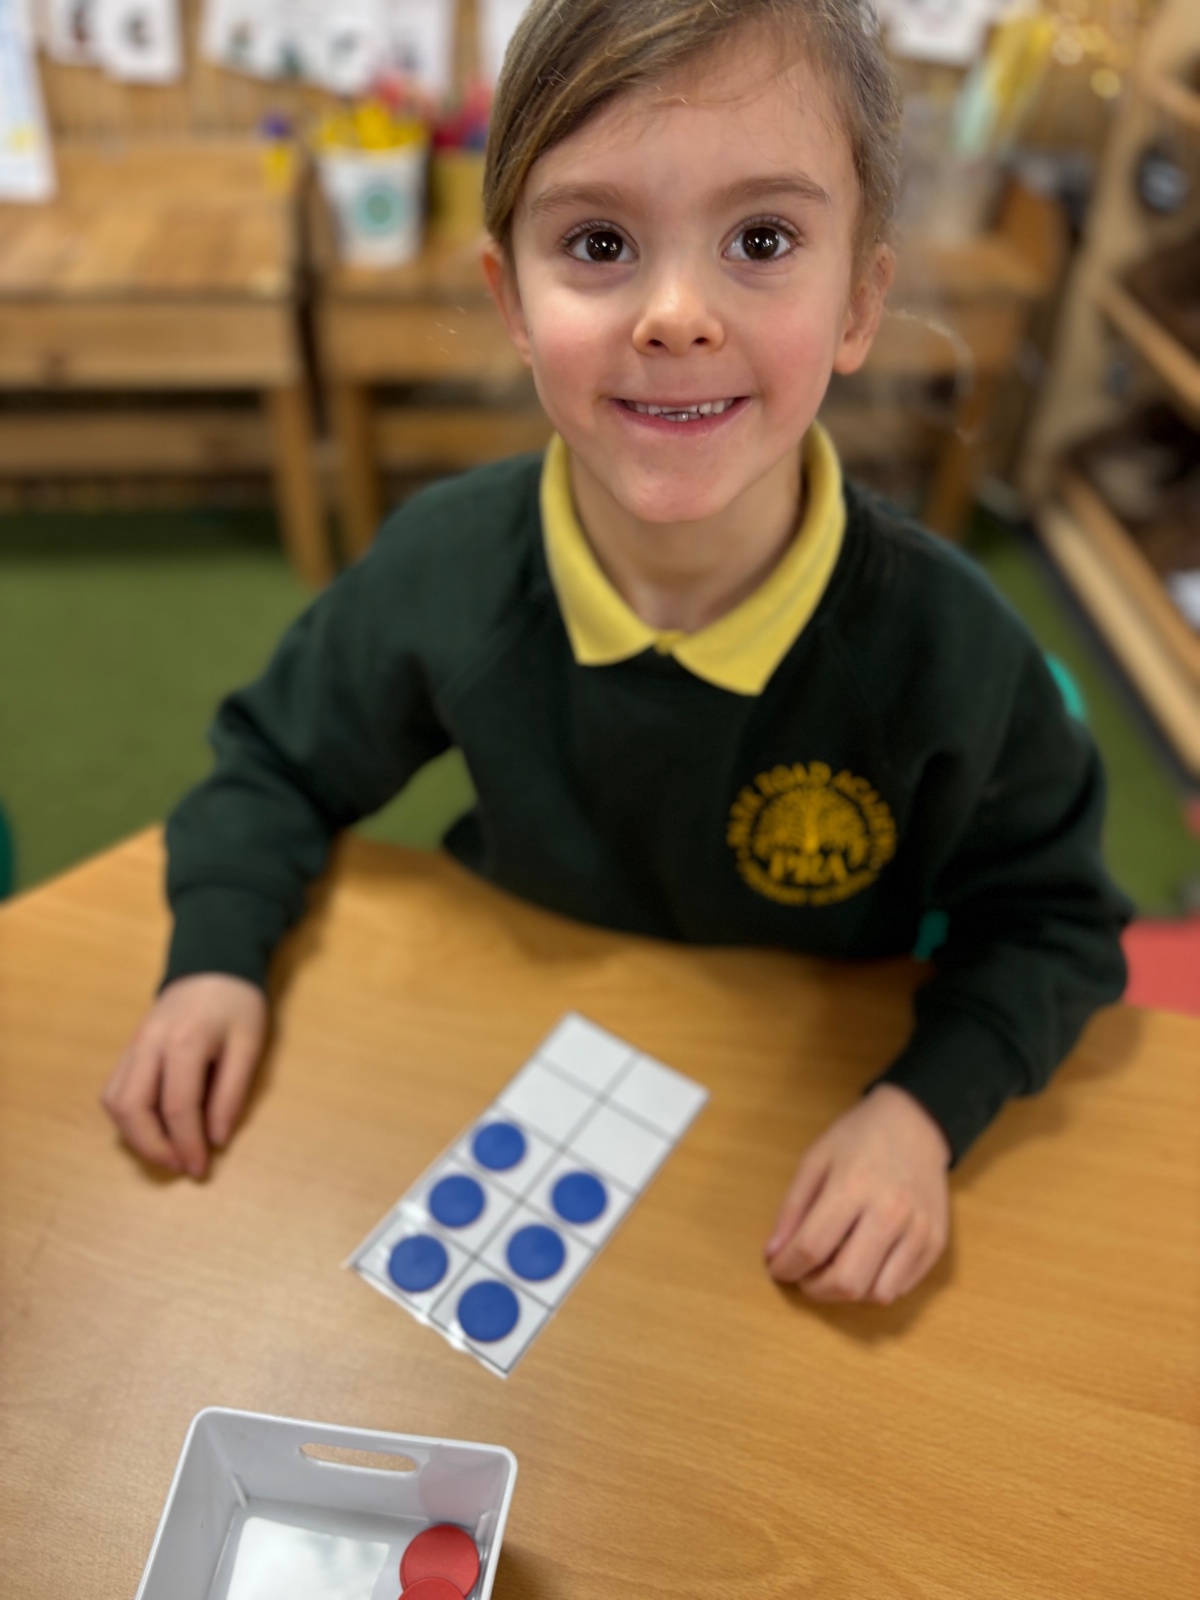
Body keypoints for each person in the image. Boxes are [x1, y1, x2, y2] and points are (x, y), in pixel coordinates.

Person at [101, 0, 1130, 1306]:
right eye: (598, 243)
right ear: (513, 303)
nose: (676, 314)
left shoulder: (952, 652)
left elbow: (1053, 924)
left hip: (773, 1135)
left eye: (763, 240)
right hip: (515, 1065)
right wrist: (213, 958)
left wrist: (923, 1112)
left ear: (860, 302)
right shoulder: (447, 569)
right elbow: (274, 763)